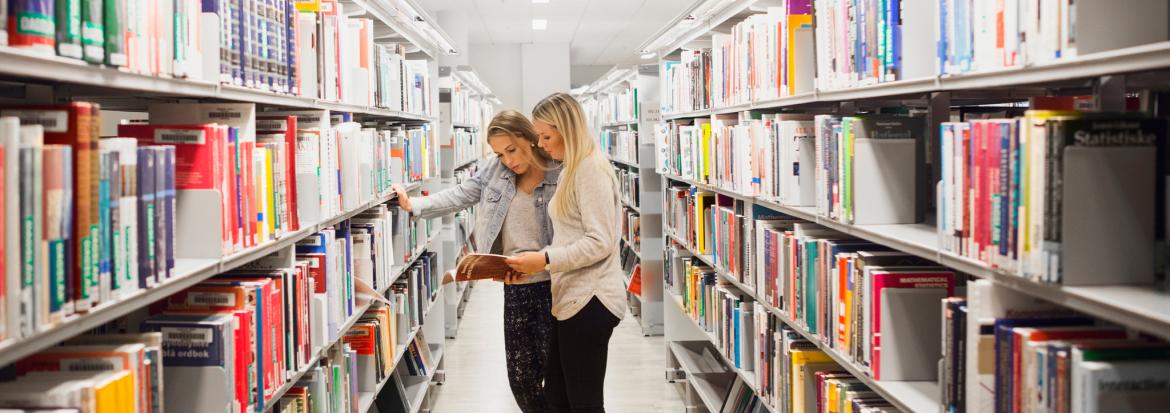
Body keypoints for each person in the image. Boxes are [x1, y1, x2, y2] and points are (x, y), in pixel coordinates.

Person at [393, 110, 559, 413]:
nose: (507, 160)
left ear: (529, 138)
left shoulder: (558, 172)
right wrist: (414, 204)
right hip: (516, 286)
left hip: (556, 287)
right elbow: (461, 194)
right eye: (499, 153)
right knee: (521, 380)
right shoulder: (496, 171)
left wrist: (548, 262)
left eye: (511, 150)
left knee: (557, 378)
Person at [506, 93, 626, 413]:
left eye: (546, 136)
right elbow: (568, 237)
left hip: (591, 298)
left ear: (567, 129)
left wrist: (544, 259)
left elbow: (600, 241)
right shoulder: (572, 168)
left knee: (583, 402)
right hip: (571, 297)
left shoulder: (590, 170)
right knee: (558, 395)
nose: (541, 144)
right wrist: (533, 262)